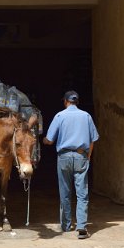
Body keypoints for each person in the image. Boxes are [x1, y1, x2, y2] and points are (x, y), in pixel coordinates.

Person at [43, 90, 99, 239]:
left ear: (65, 101)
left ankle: (66, 226)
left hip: (64, 157)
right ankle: (81, 227)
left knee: (65, 192)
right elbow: (93, 139)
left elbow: (49, 140)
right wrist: (88, 156)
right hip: (81, 156)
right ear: (77, 101)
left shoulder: (60, 116)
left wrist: (42, 140)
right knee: (82, 194)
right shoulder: (86, 116)